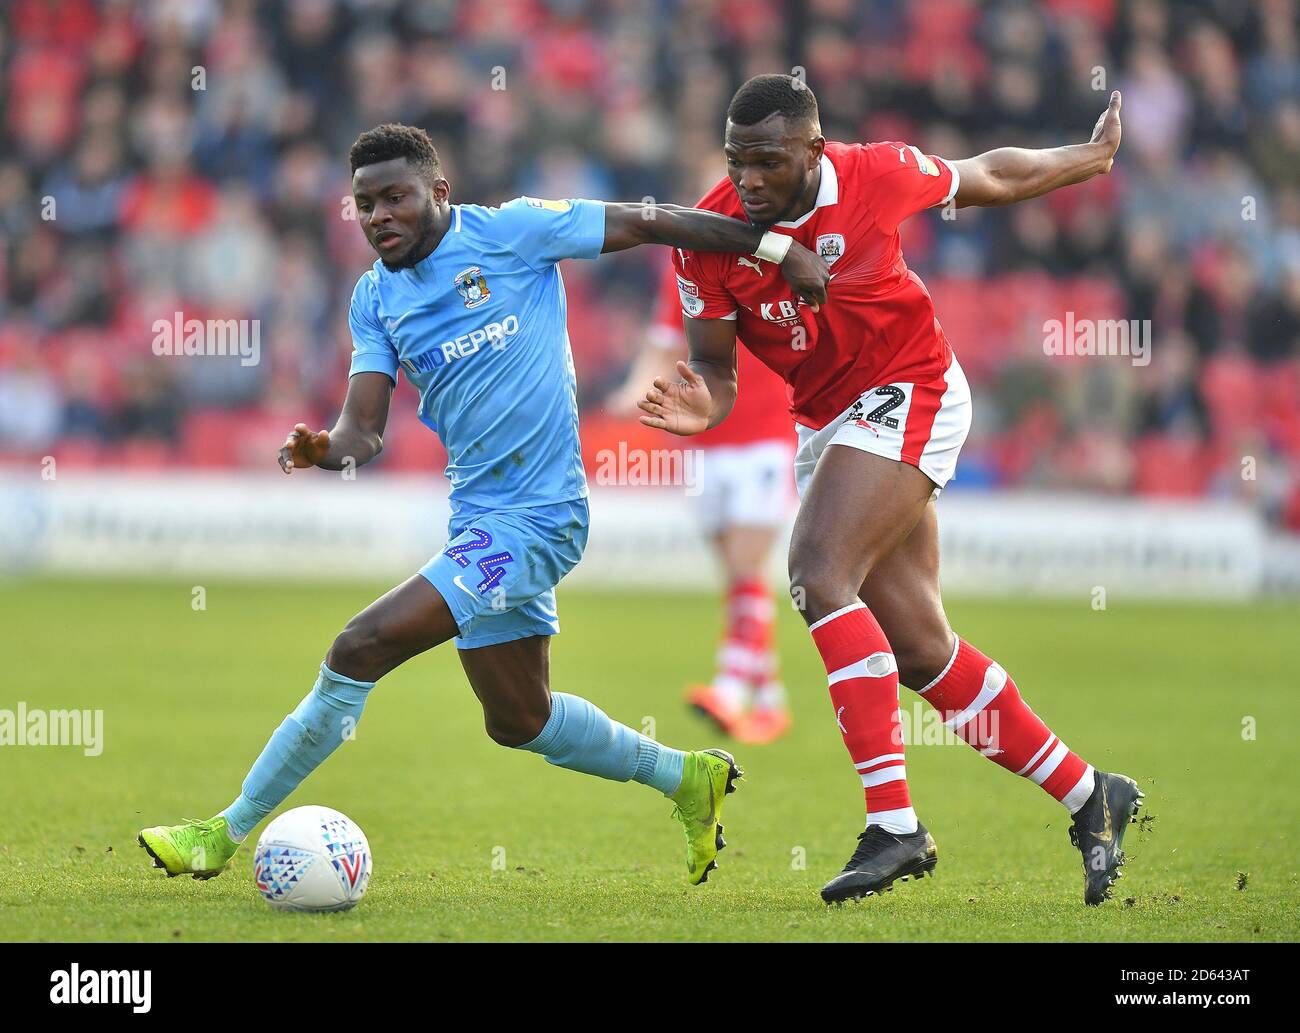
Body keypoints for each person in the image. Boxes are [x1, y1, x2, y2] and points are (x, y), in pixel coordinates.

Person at [138, 122, 831, 888]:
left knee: (358, 646)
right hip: (477, 520)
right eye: (364, 204)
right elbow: (363, 430)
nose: (379, 217)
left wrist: (774, 249)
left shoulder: (514, 232)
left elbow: (651, 220)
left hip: (541, 519)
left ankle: (221, 832)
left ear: (438, 190)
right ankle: (686, 777)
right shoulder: (374, 298)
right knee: (519, 719)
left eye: (394, 197)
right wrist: (322, 450)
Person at [638, 76, 1143, 905]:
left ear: (814, 150)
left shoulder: (871, 174)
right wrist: (703, 407)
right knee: (921, 651)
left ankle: (896, 826)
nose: (750, 180)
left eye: (767, 162)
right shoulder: (708, 234)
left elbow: (988, 175)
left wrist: (1086, 159)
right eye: (738, 161)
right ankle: (1093, 795)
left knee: (815, 567)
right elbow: (718, 371)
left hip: (915, 387)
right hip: (828, 423)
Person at [612, 258, 795, 743]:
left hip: (769, 435)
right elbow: (664, 340)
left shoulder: (779, 260)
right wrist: (634, 390)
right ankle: (771, 701)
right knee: (739, 577)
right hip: (703, 442)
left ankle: (731, 690)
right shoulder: (688, 270)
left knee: (743, 566)